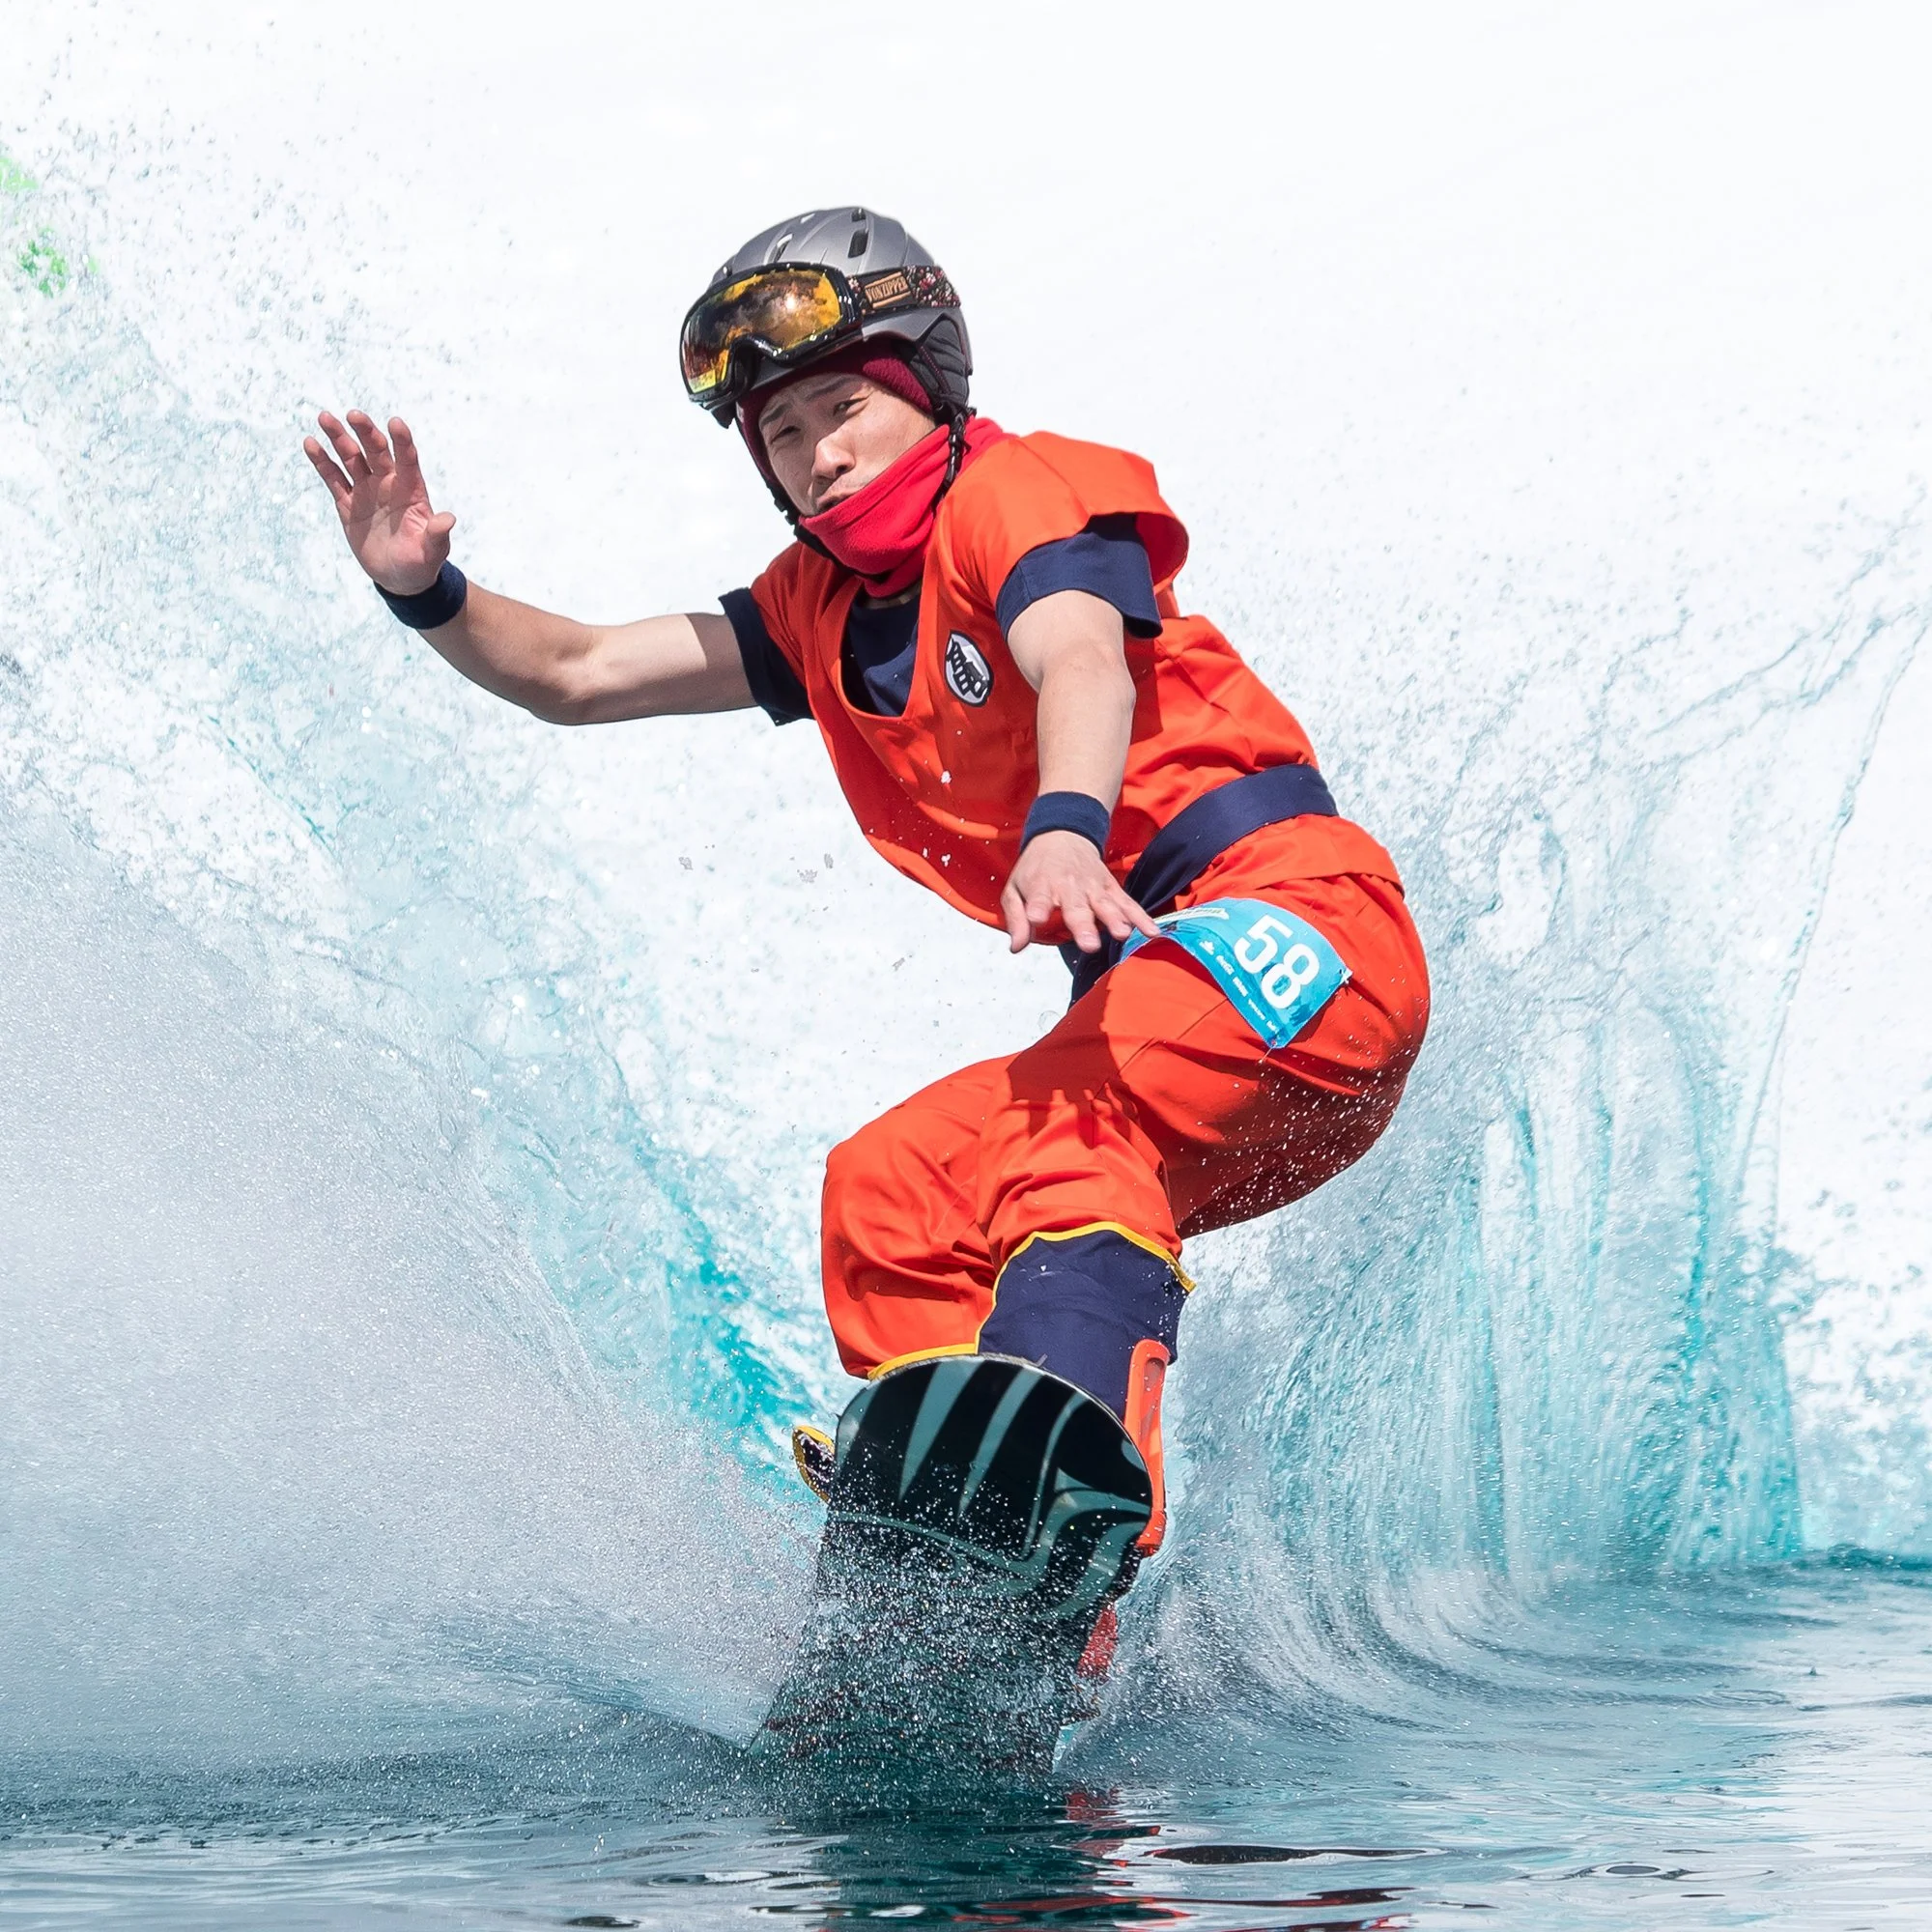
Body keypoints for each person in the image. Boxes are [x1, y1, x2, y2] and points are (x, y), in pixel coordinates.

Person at [303, 207, 1430, 1551]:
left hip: (1305, 936)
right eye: (780, 434)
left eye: (841, 409)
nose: (817, 453)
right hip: (1173, 1029)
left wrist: (1067, 825)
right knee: (890, 1191)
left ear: (924, 389)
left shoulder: (1015, 493)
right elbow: (580, 673)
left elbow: (1078, 655)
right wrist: (427, 591)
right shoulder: (815, 606)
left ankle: (1054, 1517)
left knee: (1062, 1142)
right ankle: (953, 1581)